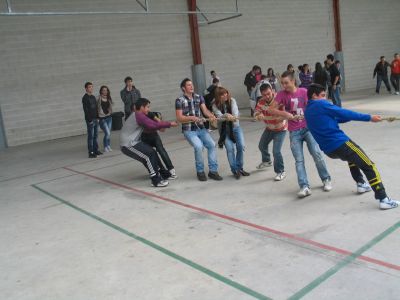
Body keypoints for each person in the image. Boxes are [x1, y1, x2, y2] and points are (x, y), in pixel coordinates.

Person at [305, 83, 399, 209]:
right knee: (369, 166)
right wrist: (369, 117)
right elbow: (343, 112)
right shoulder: (320, 104)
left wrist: (348, 118)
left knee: (352, 159)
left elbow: (333, 119)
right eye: (322, 95)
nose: (325, 98)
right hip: (340, 143)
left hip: (329, 151)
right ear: (314, 96)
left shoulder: (308, 110)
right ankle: (383, 199)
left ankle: (361, 183)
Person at [275, 71, 332, 197]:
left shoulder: (304, 92)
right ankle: (304, 186)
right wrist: (286, 114)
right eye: (282, 83)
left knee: (317, 154)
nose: (284, 86)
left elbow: (315, 105)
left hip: (308, 128)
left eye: (286, 83)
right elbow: (272, 109)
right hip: (294, 131)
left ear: (293, 81)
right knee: (299, 160)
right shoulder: (281, 95)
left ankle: (326, 179)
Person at [120, 98, 178, 187]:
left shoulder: (138, 115)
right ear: (142, 107)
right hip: (128, 145)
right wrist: (169, 124)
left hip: (133, 142)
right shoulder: (139, 115)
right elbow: (153, 125)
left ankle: (163, 174)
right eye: (147, 107)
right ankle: (155, 180)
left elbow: (153, 124)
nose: (148, 109)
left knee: (151, 153)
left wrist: (162, 124)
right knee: (149, 155)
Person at [175, 78, 223, 181]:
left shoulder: (199, 97)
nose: (191, 86)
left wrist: (211, 116)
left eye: (192, 84)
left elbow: (205, 111)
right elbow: (179, 118)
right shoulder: (179, 101)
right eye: (188, 85)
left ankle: (213, 171)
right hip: (189, 130)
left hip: (201, 128)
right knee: (198, 146)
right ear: (183, 88)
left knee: (211, 145)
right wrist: (192, 118)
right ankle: (200, 172)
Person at [254, 84, 298, 181]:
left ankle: (281, 171)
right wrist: (258, 114)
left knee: (276, 151)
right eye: (264, 95)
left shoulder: (279, 100)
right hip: (269, 128)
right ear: (261, 95)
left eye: (269, 93)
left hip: (280, 129)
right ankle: (266, 160)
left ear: (272, 91)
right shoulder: (261, 101)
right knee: (262, 145)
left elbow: (287, 113)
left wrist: (281, 117)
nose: (267, 96)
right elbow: (256, 111)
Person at [212, 86, 250, 179]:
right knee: (230, 149)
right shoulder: (214, 105)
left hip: (235, 127)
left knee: (241, 146)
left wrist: (232, 117)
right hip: (224, 131)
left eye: (226, 93)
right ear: (218, 96)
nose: (225, 95)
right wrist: (226, 115)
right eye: (222, 94)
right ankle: (235, 170)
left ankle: (240, 168)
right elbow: (219, 117)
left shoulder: (232, 100)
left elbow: (235, 113)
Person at [141, 111, 178, 179]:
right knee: (150, 154)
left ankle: (171, 169)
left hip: (153, 136)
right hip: (144, 137)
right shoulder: (141, 117)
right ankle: (159, 171)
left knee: (161, 150)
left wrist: (160, 122)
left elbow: (162, 129)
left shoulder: (151, 115)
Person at [82, 82, 101, 158]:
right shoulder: (85, 98)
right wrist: (89, 120)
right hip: (90, 120)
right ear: (86, 88)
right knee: (91, 136)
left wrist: (98, 117)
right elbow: (86, 110)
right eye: (89, 87)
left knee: (95, 136)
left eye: (92, 87)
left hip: (95, 119)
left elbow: (96, 108)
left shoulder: (93, 97)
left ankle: (96, 150)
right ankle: (91, 152)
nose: (91, 88)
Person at [97, 85, 113, 152]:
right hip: (102, 118)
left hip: (109, 117)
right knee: (107, 133)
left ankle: (108, 146)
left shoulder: (108, 98)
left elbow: (110, 107)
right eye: (103, 90)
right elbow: (96, 108)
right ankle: (105, 146)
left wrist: (110, 112)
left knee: (108, 133)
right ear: (101, 91)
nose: (105, 91)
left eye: (106, 90)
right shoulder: (98, 98)